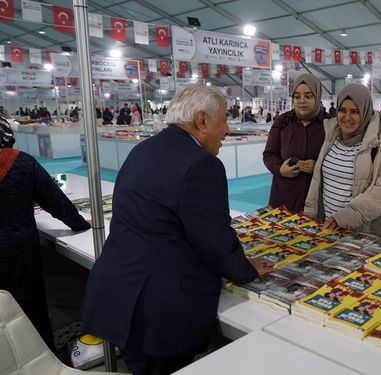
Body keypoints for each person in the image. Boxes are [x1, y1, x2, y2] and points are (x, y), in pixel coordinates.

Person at [81, 85, 272, 374]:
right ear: (202, 120)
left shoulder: (145, 149)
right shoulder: (201, 165)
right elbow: (213, 240)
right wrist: (245, 269)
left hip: (120, 292)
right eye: (223, 119)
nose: (228, 129)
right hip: (159, 308)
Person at [0, 115, 90, 351]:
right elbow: (57, 203)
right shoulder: (20, 163)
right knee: (28, 311)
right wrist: (82, 225)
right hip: (17, 255)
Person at [304, 84, 381, 237]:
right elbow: (318, 181)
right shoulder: (332, 135)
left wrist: (343, 218)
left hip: (366, 232)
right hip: (330, 229)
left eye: (354, 111)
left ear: (365, 111)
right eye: (342, 110)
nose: (347, 117)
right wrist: (311, 213)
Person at [263, 73, 327, 213]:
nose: (301, 101)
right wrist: (280, 169)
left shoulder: (329, 124)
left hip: (317, 202)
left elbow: (340, 160)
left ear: (317, 97)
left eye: (308, 96)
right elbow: (269, 155)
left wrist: (318, 167)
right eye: (297, 97)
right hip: (284, 200)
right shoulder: (283, 122)